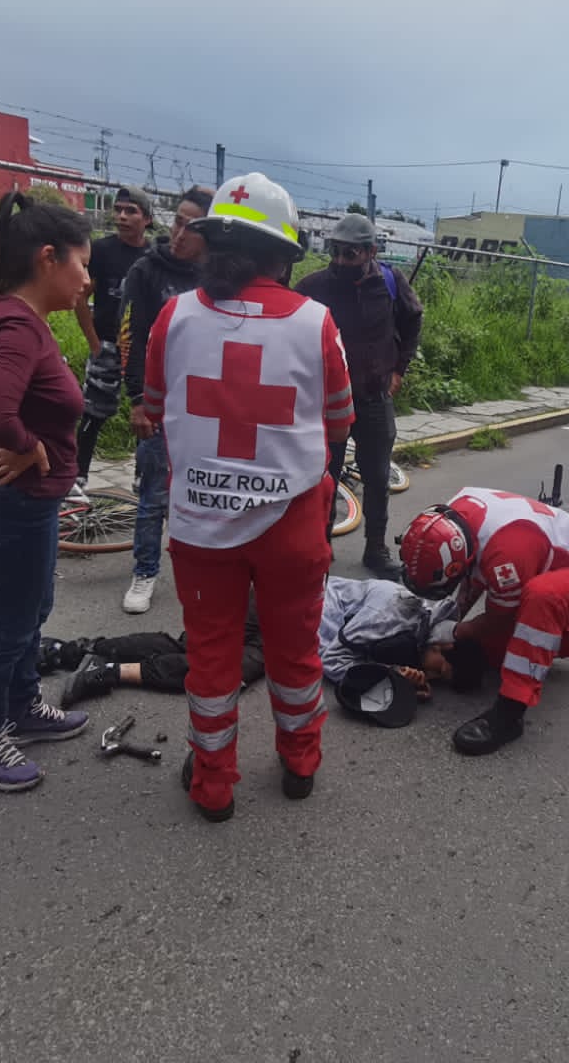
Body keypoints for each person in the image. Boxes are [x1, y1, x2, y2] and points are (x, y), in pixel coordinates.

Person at [139, 172, 353, 821]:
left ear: (212, 244)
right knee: (294, 650)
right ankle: (300, 764)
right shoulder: (317, 324)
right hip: (292, 525)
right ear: (283, 256)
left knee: (211, 656)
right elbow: (338, 422)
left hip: (201, 527)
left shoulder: (174, 318)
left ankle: (213, 786)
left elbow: (154, 409)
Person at [0, 193, 95, 793]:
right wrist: (28, 445)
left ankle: (22, 707)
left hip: (29, 501)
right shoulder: (15, 325)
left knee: (31, 609)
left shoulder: (24, 321)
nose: (86, 280)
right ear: (47, 258)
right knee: (9, 622)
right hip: (13, 500)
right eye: (81, 265)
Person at [398, 487, 569, 755]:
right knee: (492, 652)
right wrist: (450, 621)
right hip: (544, 557)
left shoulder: (505, 557)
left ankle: (510, 713)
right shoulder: (449, 519)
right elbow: (472, 573)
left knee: (539, 603)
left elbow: (499, 620)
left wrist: (456, 631)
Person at [44, 574, 457, 704]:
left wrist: (396, 678)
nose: (436, 676)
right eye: (442, 669)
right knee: (222, 671)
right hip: (277, 610)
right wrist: (386, 678)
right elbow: (332, 660)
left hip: (278, 611)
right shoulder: (396, 610)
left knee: (191, 648)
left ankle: (76, 651)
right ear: (442, 645)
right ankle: (100, 667)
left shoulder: (411, 628)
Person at [295, 213, 423, 574]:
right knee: (323, 479)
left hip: (373, 398)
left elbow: (413, 319)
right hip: (326, 404)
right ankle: (320, 550)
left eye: (349, 253)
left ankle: (376, 550)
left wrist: (399, 369)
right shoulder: (313, 287)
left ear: (371, 252)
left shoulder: (390, 282)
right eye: (335, 251)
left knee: (378, 478)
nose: (340, 260)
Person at [115, 186, 213, 614]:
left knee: (204, 493)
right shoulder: (147, 271)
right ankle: (145, 571)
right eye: (177, 222)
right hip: (160, 403)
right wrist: (139, 399)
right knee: (154, 494)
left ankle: (203, 572)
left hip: (207, 408)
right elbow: (131, 338)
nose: (179, 233)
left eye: (191, 227)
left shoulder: (219, 277)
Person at [70, 184, 154, 503]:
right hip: (107, 343)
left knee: (147, 413)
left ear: (147, 218)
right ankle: (77, 477)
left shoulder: (153, 257)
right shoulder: (101, 251)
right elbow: (81, 296)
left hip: (144, 350)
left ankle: (143, 477)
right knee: (93, 412)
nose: (122, 216)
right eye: (118, 210)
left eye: (131, 211)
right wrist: (94, 341)